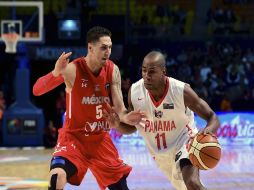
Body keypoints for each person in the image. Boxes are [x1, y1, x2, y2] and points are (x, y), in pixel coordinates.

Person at [33, 26, 143, 190]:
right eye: (104, 47)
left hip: (100, 140)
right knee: (57, 177)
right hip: (74, 138)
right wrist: (55, 72)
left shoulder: (112, 70)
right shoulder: (73, 70)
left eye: (110, 47)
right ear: (90, 48)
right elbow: (37, 90)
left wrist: (128, 118)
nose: (108, 52)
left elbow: (120, 109)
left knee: (121, 187)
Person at [104, 51, 220, 190]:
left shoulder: (181, 91)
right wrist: (117, 125)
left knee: (192, 183)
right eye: (144, 71)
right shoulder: (135, 92)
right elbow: (133, 127)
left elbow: (212, 117)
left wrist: (208, 131)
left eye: (152, 72)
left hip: (185, 143)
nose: (147, 76)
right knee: (185, 187)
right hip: (160, 155)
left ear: (163, 71)